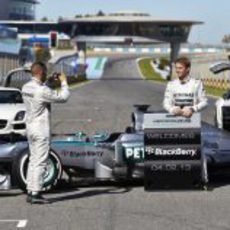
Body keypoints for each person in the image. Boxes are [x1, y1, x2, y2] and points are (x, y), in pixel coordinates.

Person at [22, 62, 70, 204]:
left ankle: (30, 190)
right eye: (45, 72)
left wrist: (48, 81)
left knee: (33, 160)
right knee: (41, 161)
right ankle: (36, 194)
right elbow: (63, 97)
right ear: (41, 72)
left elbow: (42, 90)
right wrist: (64, 82)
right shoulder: (41, 90)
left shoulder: (26, 87)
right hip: (40, 129)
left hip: (30, 127)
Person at [163, 56, 209, 186]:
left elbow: (205, 102)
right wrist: (172, 109)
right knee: (175, 150)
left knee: (198, 150)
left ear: (188, 69)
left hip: (193, 121)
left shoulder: (197, 83)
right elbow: (166, 103)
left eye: (180, 68)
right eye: (176, 68)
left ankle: (203, 180)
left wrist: (193, 109)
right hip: (175, 122)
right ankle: (174, 179)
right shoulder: (171, 84)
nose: (177, 70)